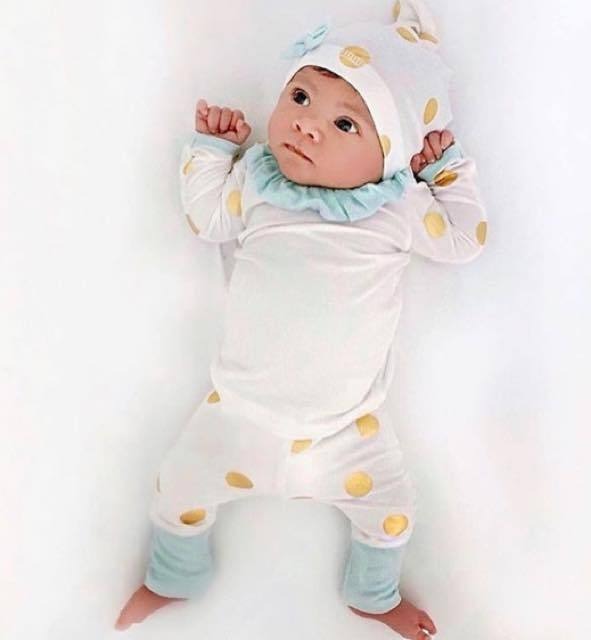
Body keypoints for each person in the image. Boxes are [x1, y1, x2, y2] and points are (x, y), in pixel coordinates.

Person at [115, 1, 488, 637]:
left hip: (348, 431)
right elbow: (207, 219)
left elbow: (464, 239)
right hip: (237, 414)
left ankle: (372, 595)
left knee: (394, 510)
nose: (307, 125)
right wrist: (213, 151)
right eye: (300, 96)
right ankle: (174, 577)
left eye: (345, 123)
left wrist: (445, 172)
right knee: (177, 485)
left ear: (390, 155)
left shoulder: (397, 207)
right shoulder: (259, 181)